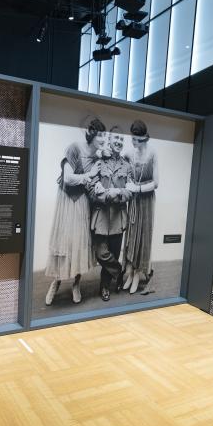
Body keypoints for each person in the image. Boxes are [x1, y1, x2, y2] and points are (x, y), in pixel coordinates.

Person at [44, 118, 104, 305]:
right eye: (100, 135)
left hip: (83, 202)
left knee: (79, 242)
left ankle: (76, 284)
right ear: (92, 134)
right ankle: (56, 282)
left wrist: (98, 184)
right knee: (65, 241)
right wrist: (90, 175)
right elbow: (68, 179)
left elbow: (95, 183)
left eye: (104, 135)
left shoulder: (98, 159)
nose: (103, 139)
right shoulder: (75, 148)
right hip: (68, 200)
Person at [86, 127, 134, 301]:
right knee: (101, 253)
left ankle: (105, 286)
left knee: (114, 251)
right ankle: (119, 271)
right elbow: (91, 189)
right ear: (109, 140)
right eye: (116, 138)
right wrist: (107, 194)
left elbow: (131, 192)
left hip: (118, 218)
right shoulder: (99, 163)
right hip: (101, 217)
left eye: (121, 139)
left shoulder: (127, 166)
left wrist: (118, 193)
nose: (118, 142)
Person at [123, 119, 159, 294]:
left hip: (146, 200)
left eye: (136, 139)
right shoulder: (129, 153)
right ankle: (129, 272)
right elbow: (123, 170)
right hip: (134, 200)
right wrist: (129, 182)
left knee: (143, 235)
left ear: (144, 138)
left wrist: (138, 188)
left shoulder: (152, 154)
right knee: (131, 234)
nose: (133, 142)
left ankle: (138, 273)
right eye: (132, 138)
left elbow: (156, 183)